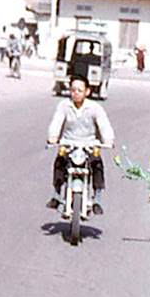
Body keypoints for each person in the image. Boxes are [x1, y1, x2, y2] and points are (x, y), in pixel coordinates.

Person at [45, 75, 115, 215]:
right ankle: (56, 195)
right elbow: (56, 122)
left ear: (87, 91)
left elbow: (104, 125)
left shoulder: (95, 108)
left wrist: (108, 140)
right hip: (69, 143)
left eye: (79, 90)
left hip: (89, 144)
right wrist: (53, 137)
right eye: (73, 90)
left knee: (97, 164)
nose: (76, 93)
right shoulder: (64, 106)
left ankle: (97, 199)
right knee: (59, 162)